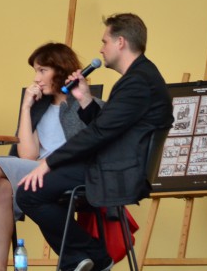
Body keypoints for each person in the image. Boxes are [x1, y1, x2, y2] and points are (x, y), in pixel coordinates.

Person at [17, 14, 173, 271]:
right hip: (111, 165)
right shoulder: (140, 77)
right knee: (34, 190)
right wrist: (85, 99)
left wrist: (49, 163)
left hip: (115, 171)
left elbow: (99, 133)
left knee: (29, 192)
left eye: (105, 41)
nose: (101, 49)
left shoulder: (137, 82)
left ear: (120, 42)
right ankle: (80, 259)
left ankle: (94, 256)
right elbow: (108, 125)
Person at [0, 43, 93, 270]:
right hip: (37, 171)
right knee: (1, 188)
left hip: (64, 174)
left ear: (61, 69)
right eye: (35, 71)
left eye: (42, 70)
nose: (36, 78)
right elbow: (27, 155)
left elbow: (87, 150)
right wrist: (26, 108)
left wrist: (48, 162)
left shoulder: (85, 105)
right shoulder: (40, 107)